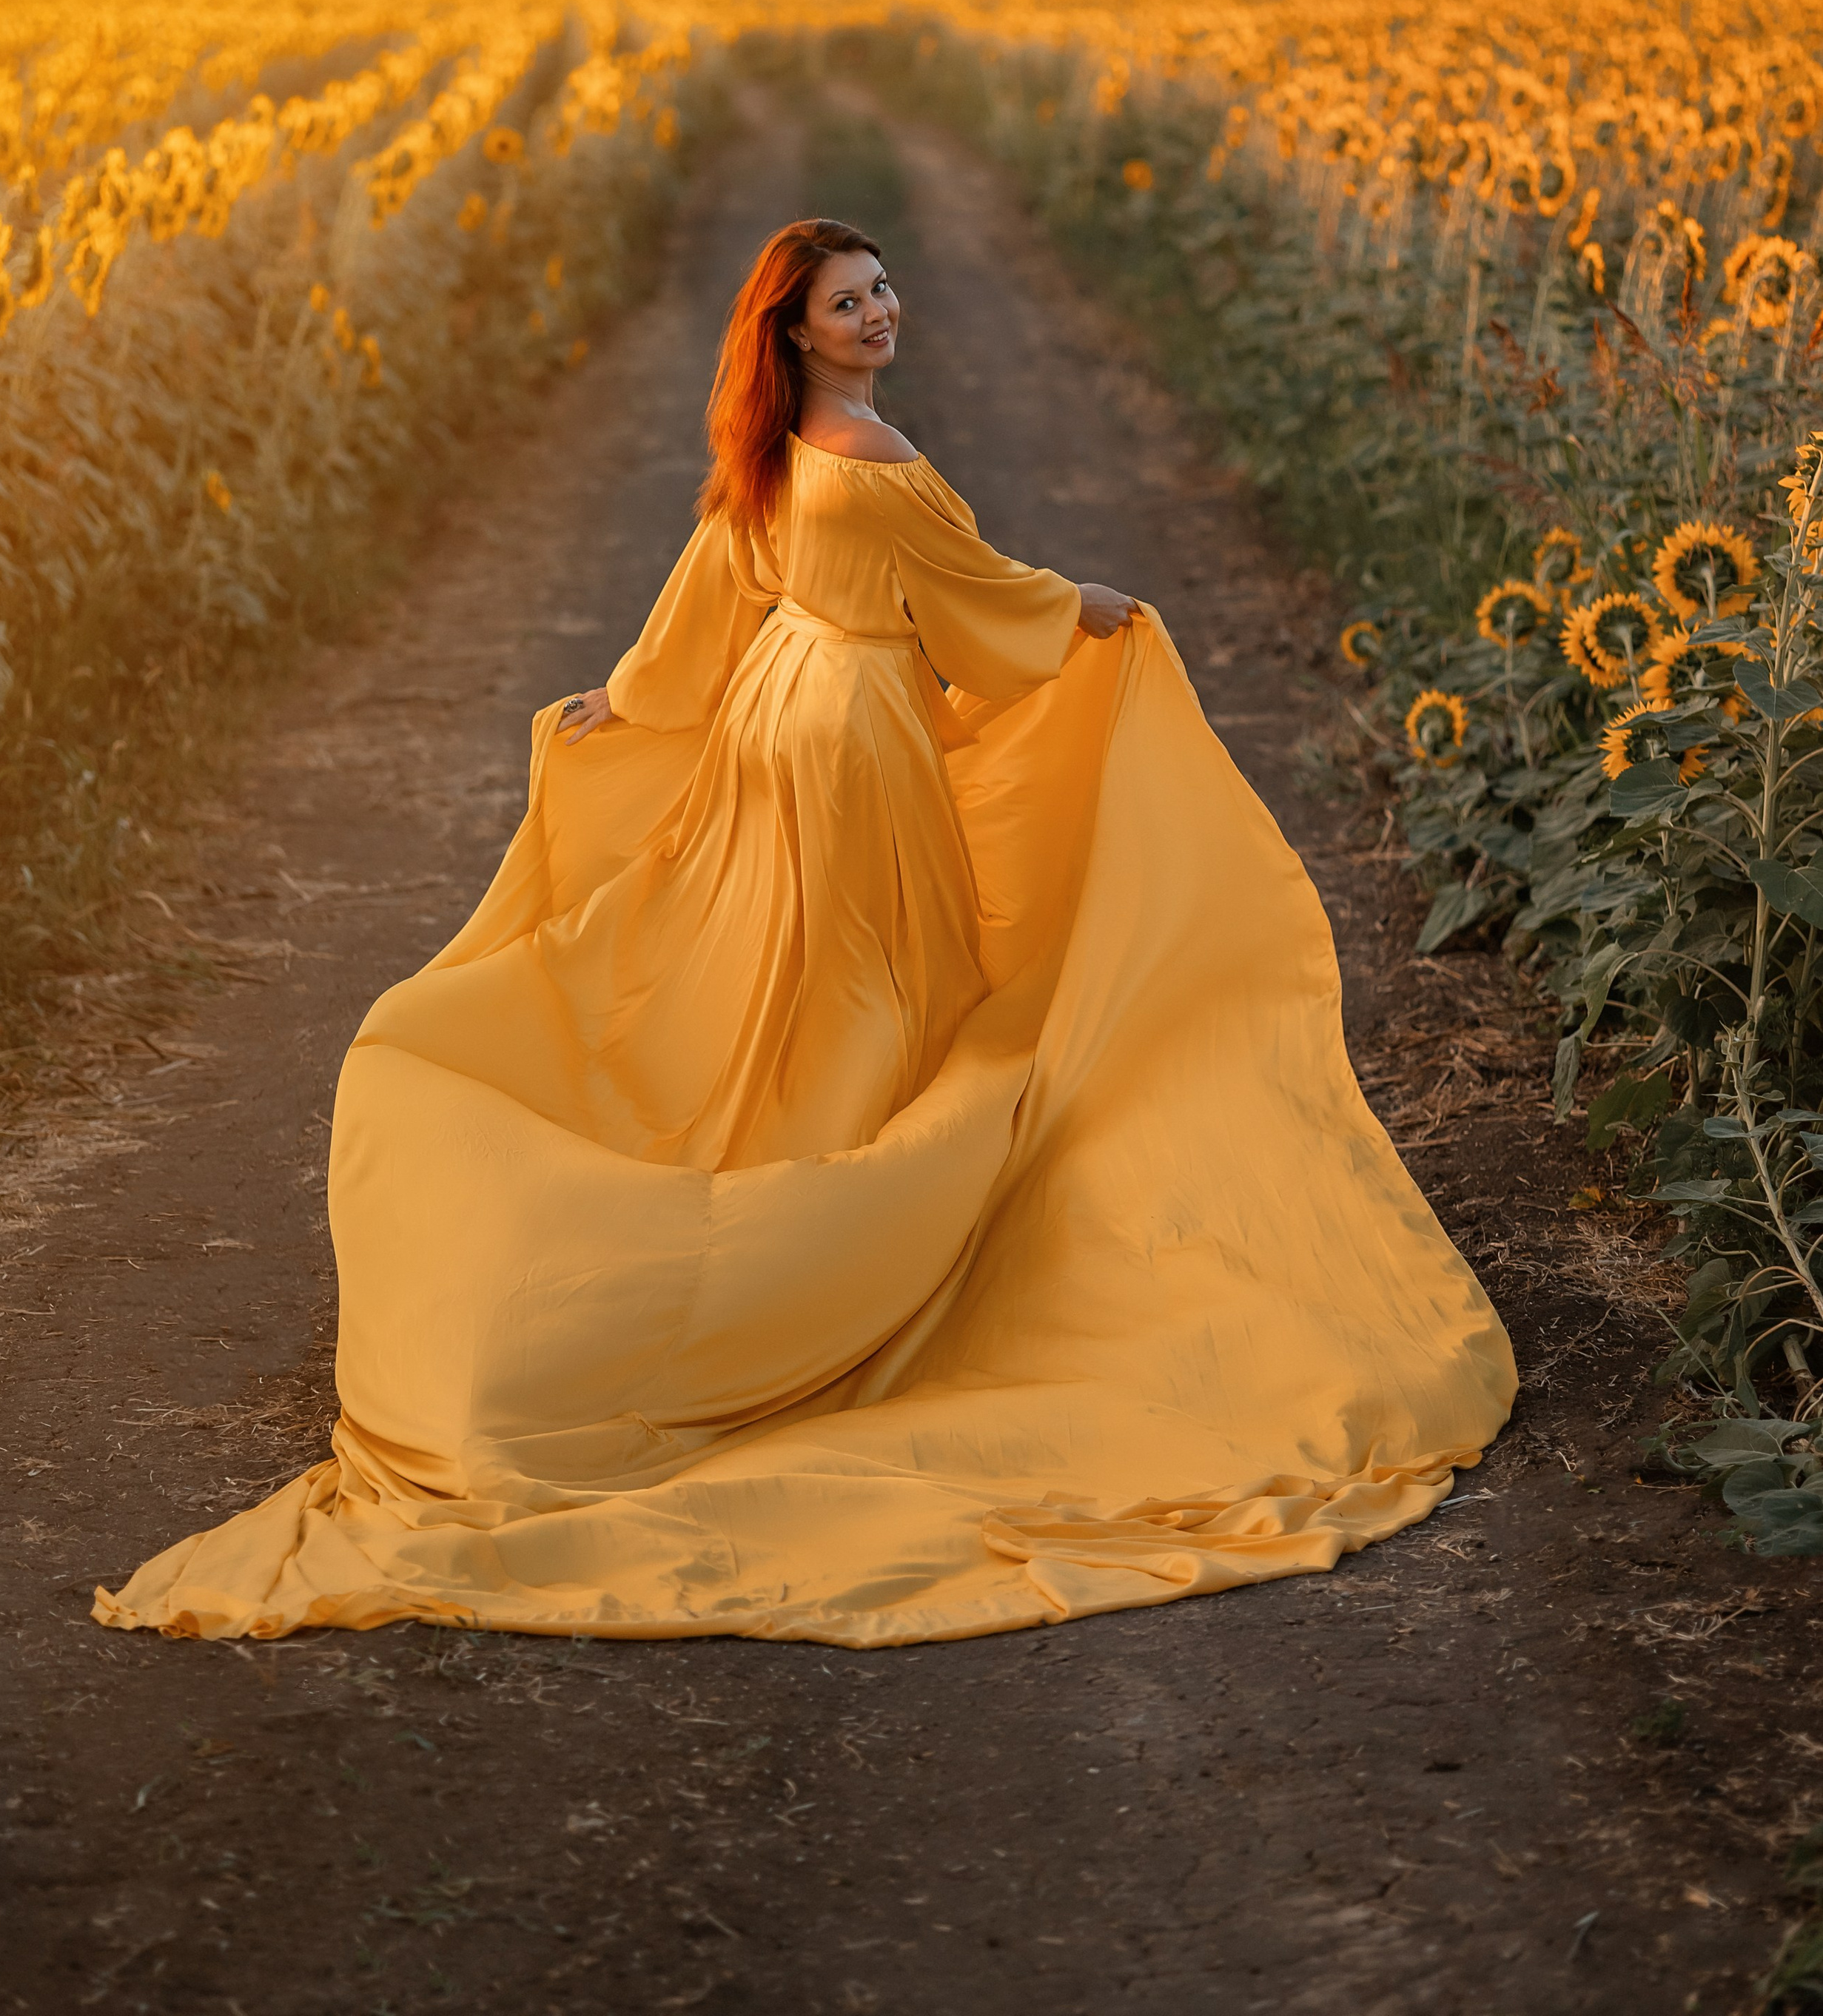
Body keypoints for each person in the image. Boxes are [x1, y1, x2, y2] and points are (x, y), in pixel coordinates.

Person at [98, 217, 1514, 1647]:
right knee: (877, 974)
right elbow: (975, 598)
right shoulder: (878, 465)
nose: (881, 311)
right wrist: (1077, 608)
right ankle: (854, 1234)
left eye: (885, 288)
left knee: (768, 958)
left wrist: (635, 698)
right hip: (851, 740)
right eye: (850, 301)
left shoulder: (766, 452)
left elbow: (712, 589)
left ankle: (780, 1162)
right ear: (796, 330)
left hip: (775, 713)